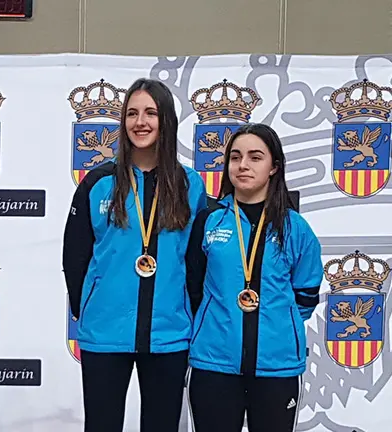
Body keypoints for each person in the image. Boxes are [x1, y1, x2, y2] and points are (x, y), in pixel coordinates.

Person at [62, 78, 208, 432]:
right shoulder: (98, 182)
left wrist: (186, 313)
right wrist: (91, 306)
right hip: (105, 331)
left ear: (166, 120)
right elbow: (75, 256)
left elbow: (197, 263)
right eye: (131, 113)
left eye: (150, 113)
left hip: (169, 333)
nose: (140, 122)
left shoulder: (190, 184)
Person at [184, 123, 323, 432]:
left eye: (255, 157)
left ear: (274, 167)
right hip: (214, 362)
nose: (242, 165)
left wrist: (276, 324)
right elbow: (193, 287)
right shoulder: (209, 221)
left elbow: (306, 295)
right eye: (235, 157)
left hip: (277, 366)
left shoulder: (295, 228)